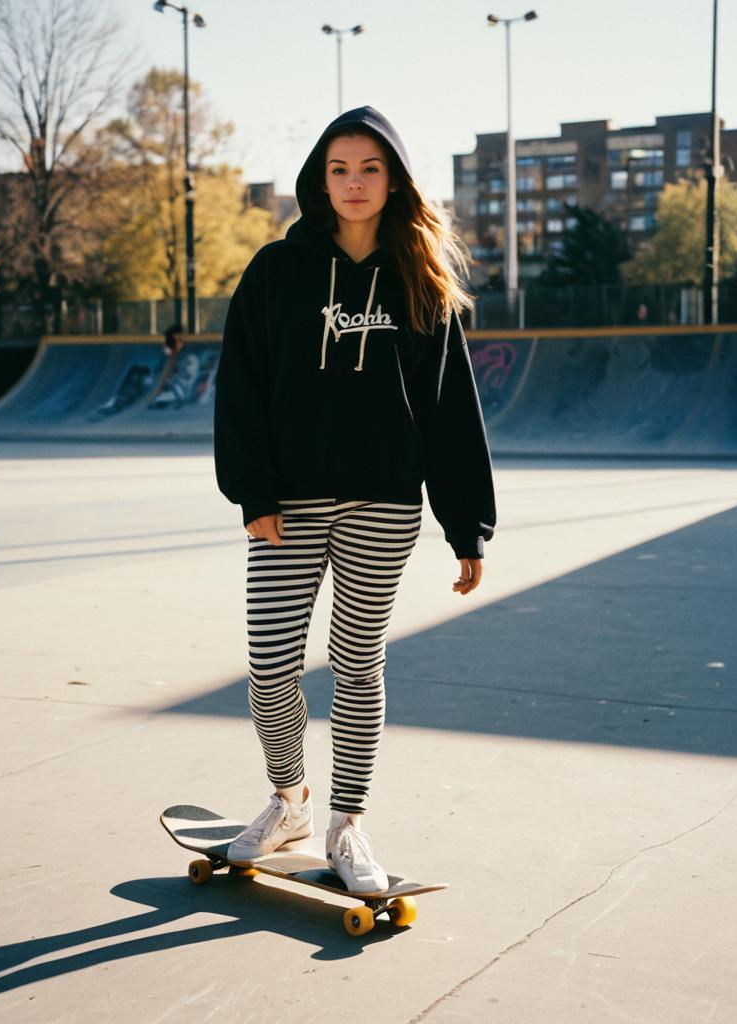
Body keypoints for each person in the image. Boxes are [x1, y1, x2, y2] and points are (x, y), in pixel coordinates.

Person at [213, 106, 496, 893]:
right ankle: (289, 801)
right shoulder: (277, 270)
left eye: (369, 168)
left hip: (384, 504)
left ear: (395, 177)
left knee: (356, 662)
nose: (353, 183)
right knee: (269, 667)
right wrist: (253, 490)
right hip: (289, 502)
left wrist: (465, 525)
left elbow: (450, 410)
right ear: (319, 177)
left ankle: (347, 824)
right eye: (339, 169)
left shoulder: (420, 276)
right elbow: (241, 384)